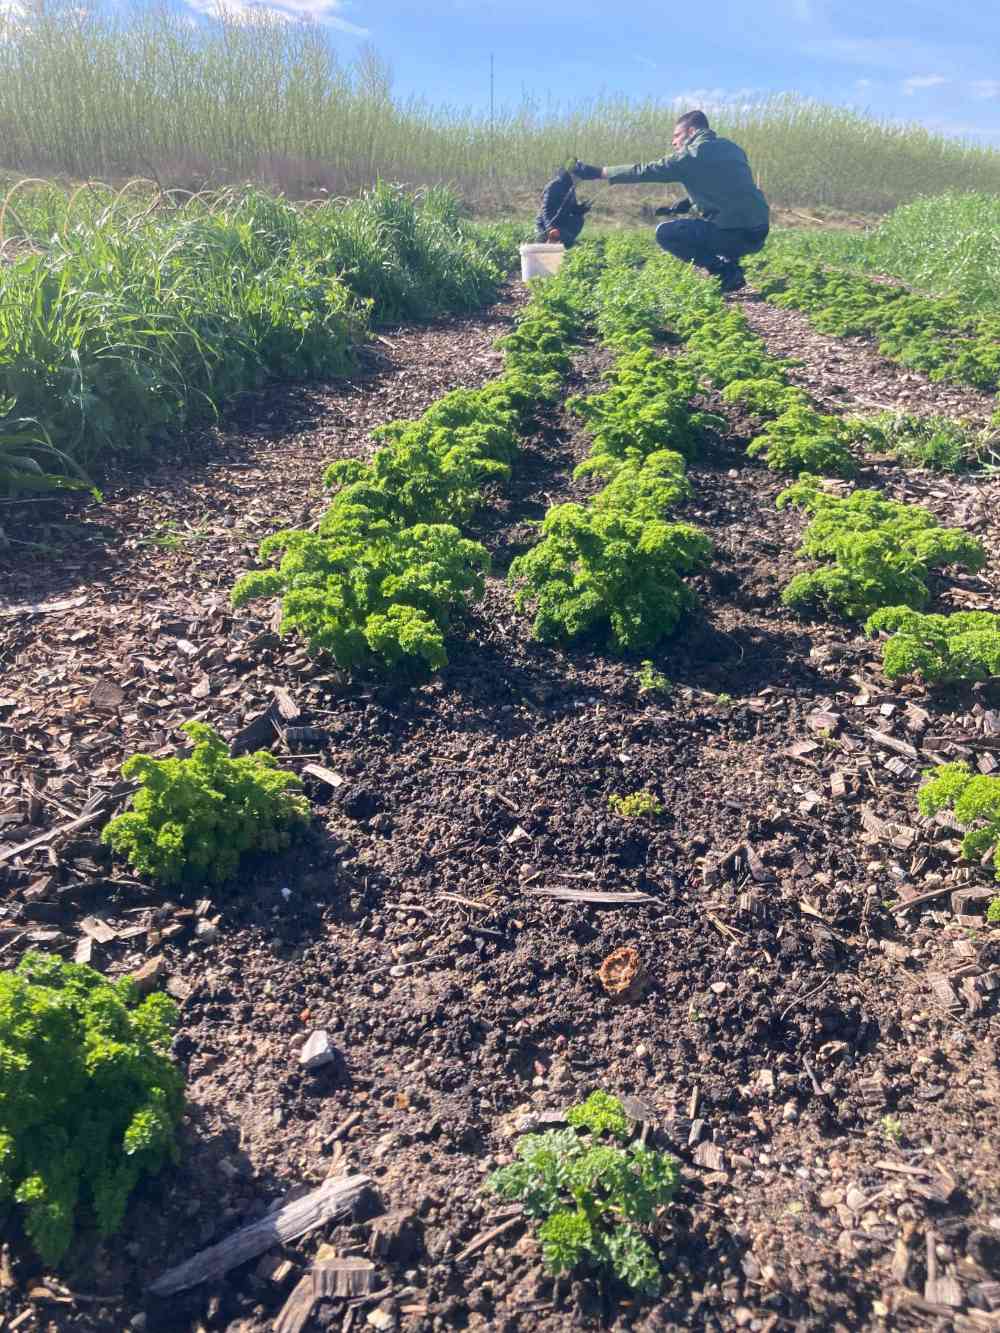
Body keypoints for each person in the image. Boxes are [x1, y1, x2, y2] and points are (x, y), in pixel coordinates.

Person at [572, 110, 769, 291]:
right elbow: (728, 188)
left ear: (691, 132)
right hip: (758, 233)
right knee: (713, 226)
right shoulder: (733, 149)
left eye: (676, 136)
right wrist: (687, 203)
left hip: (732, 235)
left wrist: (597, 172)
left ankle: (725, 271)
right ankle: (730, 263)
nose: (674, 142)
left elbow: (645, 170)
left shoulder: (691, 155)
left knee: (666, 233)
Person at [535, 167, 591, 248]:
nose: (578, 179)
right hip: (546, 225)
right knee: (548, 251)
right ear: (570, 174)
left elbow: (571, 208)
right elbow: (546, 211)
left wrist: (581, 209)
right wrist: (550, 228)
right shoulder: (554, 186)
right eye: (576, 176)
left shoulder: (570, 188)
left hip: (561, 221)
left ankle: (567, 245)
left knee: (578, 219)